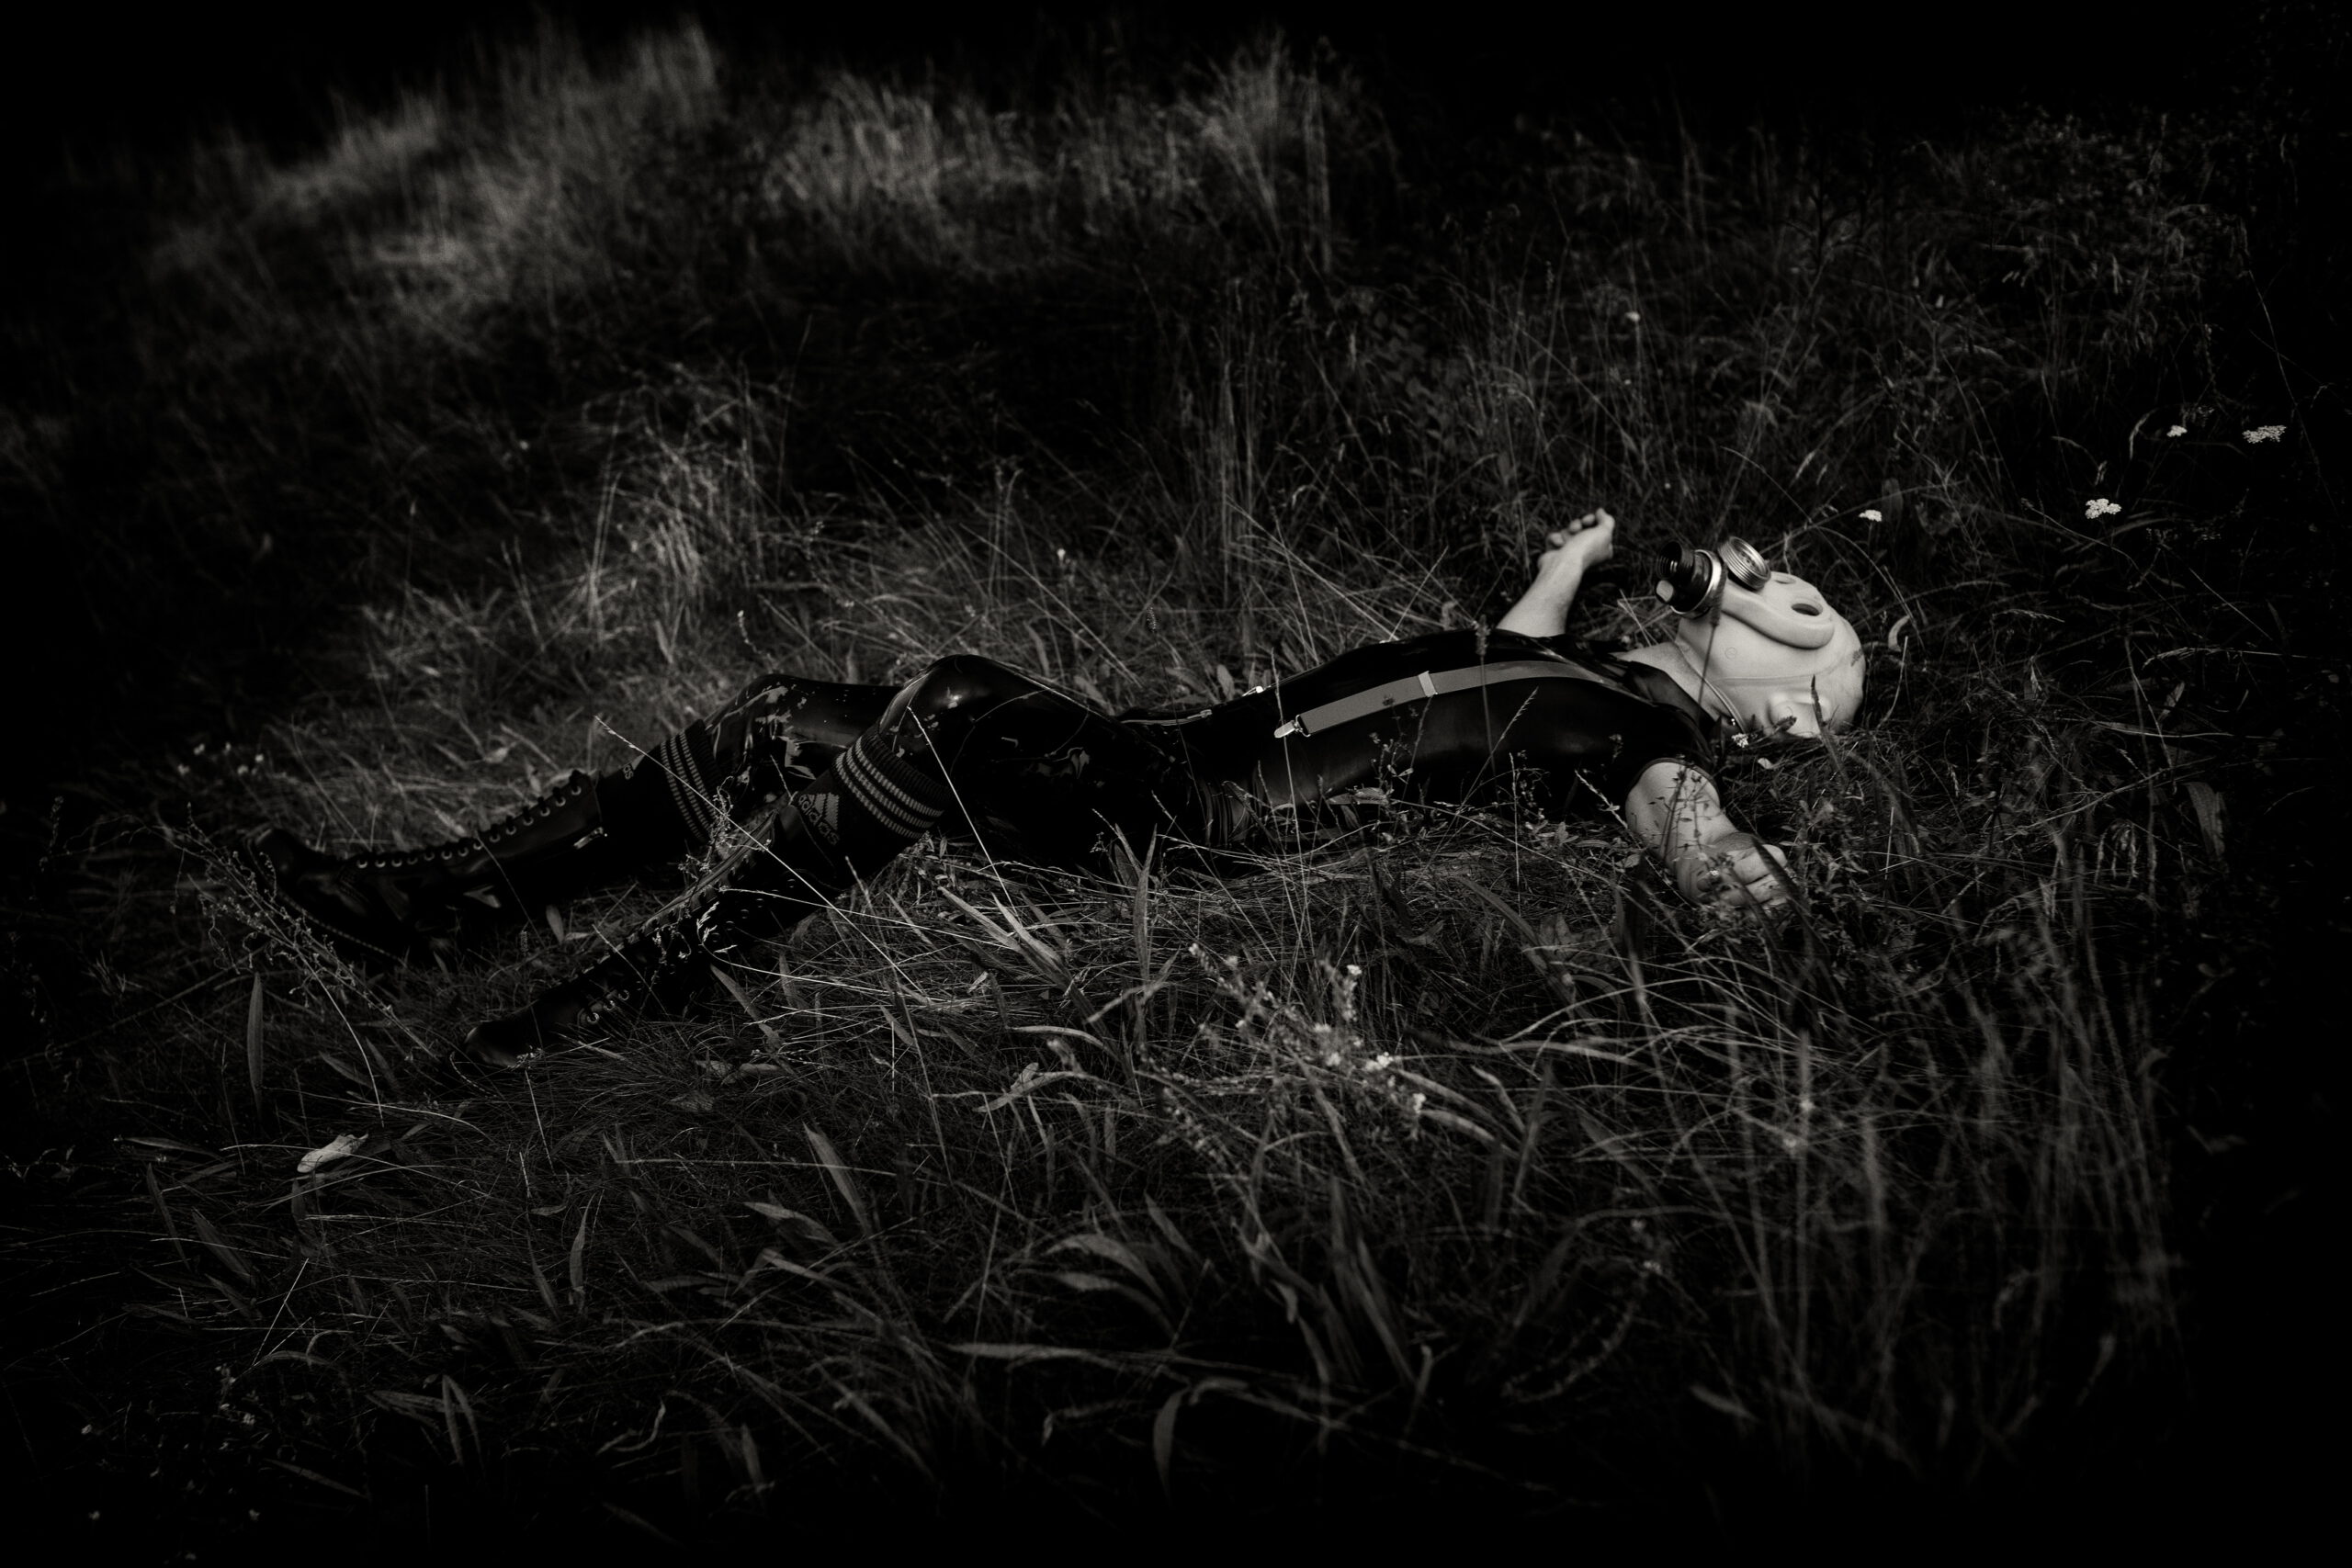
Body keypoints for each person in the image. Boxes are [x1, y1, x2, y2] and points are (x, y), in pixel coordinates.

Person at [243, 512, 1865, 1066]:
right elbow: (1506, 650)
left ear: (1781, 711)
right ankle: (437, 906)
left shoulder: (1639, 747)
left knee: (950, 701)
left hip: (1209, 824)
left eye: (1787, 603)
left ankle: (666, 971)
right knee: (778, 719)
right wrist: (1571, 564)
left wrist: (1775, 909)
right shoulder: (1578, 669)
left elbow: (1701, 847)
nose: (1754, 582)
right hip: (1175, 744)